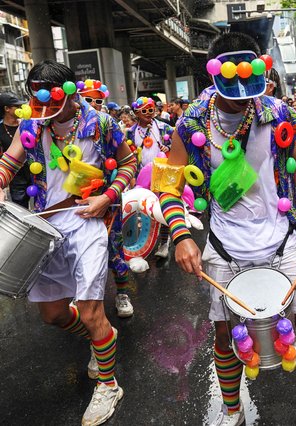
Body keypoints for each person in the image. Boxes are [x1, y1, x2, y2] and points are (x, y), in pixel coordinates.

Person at [161, 32, 296, 426]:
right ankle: (232, 412)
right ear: (213, 78)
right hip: (224, 248)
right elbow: (168, 186)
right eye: (232, 90)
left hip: (283, 242)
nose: (243, 98)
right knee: (225, 341)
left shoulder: (277, 113)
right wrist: (182, 235)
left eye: (249, 88)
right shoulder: (189, 125)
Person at [0, 60, 136, 425]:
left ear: (72, 93)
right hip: (43, 225)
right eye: (37, 101)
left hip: (87, 223)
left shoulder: (101, 123)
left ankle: (108, 384)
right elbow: (9, 163)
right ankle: (100, 338)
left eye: (52, 102)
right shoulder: (31, 123)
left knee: (92, 310)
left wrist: (107, 197)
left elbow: (128, 164)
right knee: (54, 314)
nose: (44, 113)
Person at [84, 85, 134, 318]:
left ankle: (122, 293)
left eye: (98, 101)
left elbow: (128, 161)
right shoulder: (57, 124)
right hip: (77, 204)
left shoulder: (107, 124)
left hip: (108, 200)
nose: (93, 105)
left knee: (114, 247)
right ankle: (84, 299)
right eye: (88, 100)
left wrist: (109, 194)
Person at [127, 96, 173, 258]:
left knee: (163, 208)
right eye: (144, 111)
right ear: (136, 113)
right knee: (145, 210)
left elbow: (176, 145)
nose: (148, 113)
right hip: (141, 177)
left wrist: (167, 147)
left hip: (162, 172)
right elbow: (129, 157)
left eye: (151, 110)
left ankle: (164, 242)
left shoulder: (163, 127)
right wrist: (132, 177)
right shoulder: (130, 133)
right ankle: (144, 244)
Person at [0, 92, 29, 207]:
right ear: (6, 109)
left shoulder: (27, 125)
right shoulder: (1, 130)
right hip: (16, 180)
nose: (20, 108)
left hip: (34, 175)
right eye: (16, 106)